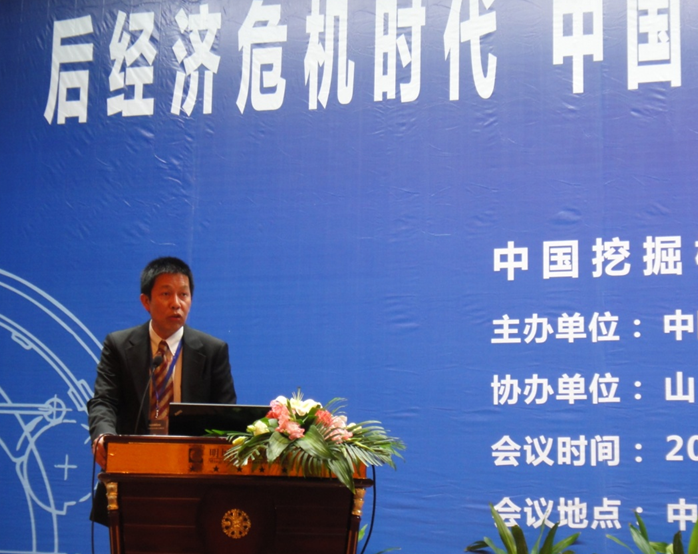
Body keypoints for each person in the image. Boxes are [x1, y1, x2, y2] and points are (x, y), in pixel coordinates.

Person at [87, 256, 236, 524]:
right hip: (133, 474)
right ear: (146, 301)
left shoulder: (213, 351)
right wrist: (104, 435)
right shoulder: (119, 346)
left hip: (194, 481)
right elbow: (104, 401)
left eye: (183, 294)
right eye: (166, 294)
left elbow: (226, 416)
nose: (176, 303)